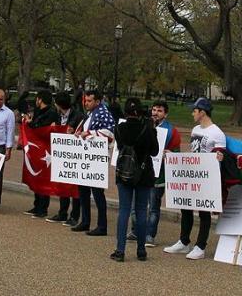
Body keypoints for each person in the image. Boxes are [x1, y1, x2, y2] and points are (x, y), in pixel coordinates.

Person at [164, 97, 225, 260]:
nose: (192, 113)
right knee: (186, 207)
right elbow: (193, 153)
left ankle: (200, 246)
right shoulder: (195, 129)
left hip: (207, 178)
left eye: (195, 110)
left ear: (202, 112)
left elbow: (220, 156)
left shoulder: (217, 133)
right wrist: (175, 157)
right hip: (194, 175)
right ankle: (184, 242)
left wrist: (219, 157)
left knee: (204, 211)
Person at [110, 98, 159, 262]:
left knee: (124, 210)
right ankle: (141, 250)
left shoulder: (120, 128)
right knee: (141, 211)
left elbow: (119, 146)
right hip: (144, 173)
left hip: (125, 170)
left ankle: (120, 250)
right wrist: (152, 131)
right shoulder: (147, 128)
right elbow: (154, 151)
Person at [127, 100, 181, 246]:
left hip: (159, 174)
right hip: (140, 171)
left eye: (160, 110)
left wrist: (170, 153)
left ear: (166, 114)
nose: (155, 113)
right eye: (154, 110)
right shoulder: (143, 125)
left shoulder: (172, 131)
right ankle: (136, 230)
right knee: (135, 202)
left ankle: (150, 234)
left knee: (153, 206)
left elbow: (177, 152)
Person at [72, 90, 115, 236]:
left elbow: (109, 134)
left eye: (89, 101)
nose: (86, 103)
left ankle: (102, 226)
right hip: (86, 158)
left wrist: (90, 134)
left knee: (97, 193)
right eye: (85, 100)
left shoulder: (104, 114)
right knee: (83, 190)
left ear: (97, 101)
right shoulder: (90, 114)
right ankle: (85, 221)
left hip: (97, 160)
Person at [45, 91, 84, 226]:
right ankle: (62, 212)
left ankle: (75, 215)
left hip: (74, 156)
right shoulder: (57, 115)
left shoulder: (78, 116)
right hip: (62, 154)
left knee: (74, 186)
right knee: (62, 183)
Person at [22, 90, 60, 218]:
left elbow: (42, 128)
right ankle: (37, 204)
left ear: (40, 99)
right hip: (37, 150)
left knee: (43, 178)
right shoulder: (40, 112)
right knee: (36, 177)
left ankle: (43, 208)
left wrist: (30, 123)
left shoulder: (51, 113)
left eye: (37, 99)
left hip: (45, 150)